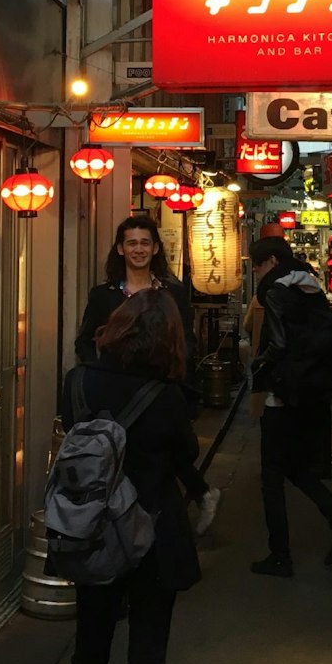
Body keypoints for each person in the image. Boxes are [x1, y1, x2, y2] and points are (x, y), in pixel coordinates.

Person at [58, 289, 202, 664]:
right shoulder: (168, 398)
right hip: (153, 536)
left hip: (93, 533)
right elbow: (185, 455)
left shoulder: (78, 382)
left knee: (87, 658)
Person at [75, 216, 219, 535]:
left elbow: (188, 341)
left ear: (155, 248)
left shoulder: (172, 293)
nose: (138, 249)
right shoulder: (104, 295)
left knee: (161, 458)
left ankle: (161, 525)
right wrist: (95, 373)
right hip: (116, 392)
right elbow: (84, 341)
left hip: (159, 391)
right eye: (131, 243)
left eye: (144, 243)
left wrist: (180, 381)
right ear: (120, 249)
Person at [248, 235, 332, 577]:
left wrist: (258, 365)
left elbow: (279, 343)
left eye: (257, 265)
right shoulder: (312, 289)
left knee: (272, 476)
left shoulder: (275, 291)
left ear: (271, 262)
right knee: (297, 470)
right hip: (311, 391)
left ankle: (280, 556)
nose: (256, 272)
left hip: (282, 394)